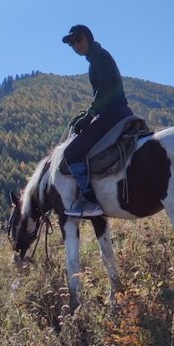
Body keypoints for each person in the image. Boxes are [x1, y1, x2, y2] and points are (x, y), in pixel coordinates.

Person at [61, 24, 133, 217]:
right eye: (72, 43)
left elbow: (107, 90)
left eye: (78, 39)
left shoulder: (99, 58)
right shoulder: (97, 58)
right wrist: (89, 112)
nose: (76, 45)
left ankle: (90, 202)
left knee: (71, 153)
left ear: (88, 37)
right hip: (119, 111)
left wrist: (91, 113)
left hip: (112, 114)